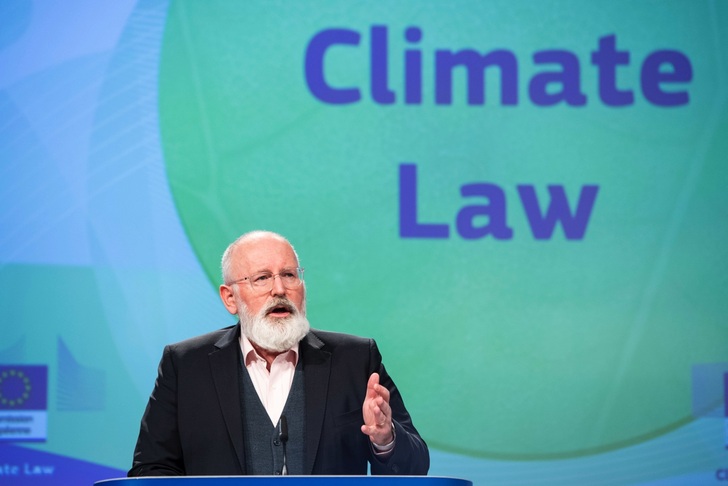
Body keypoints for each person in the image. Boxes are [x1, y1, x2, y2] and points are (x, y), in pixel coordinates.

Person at [128, 230, 429, 476]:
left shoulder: (355, 359)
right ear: (230, 298)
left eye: (289, 275)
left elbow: (416, 466)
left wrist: (385, 439)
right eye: (261, 278)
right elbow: (150, 470)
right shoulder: (185, 366)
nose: (279, 289)